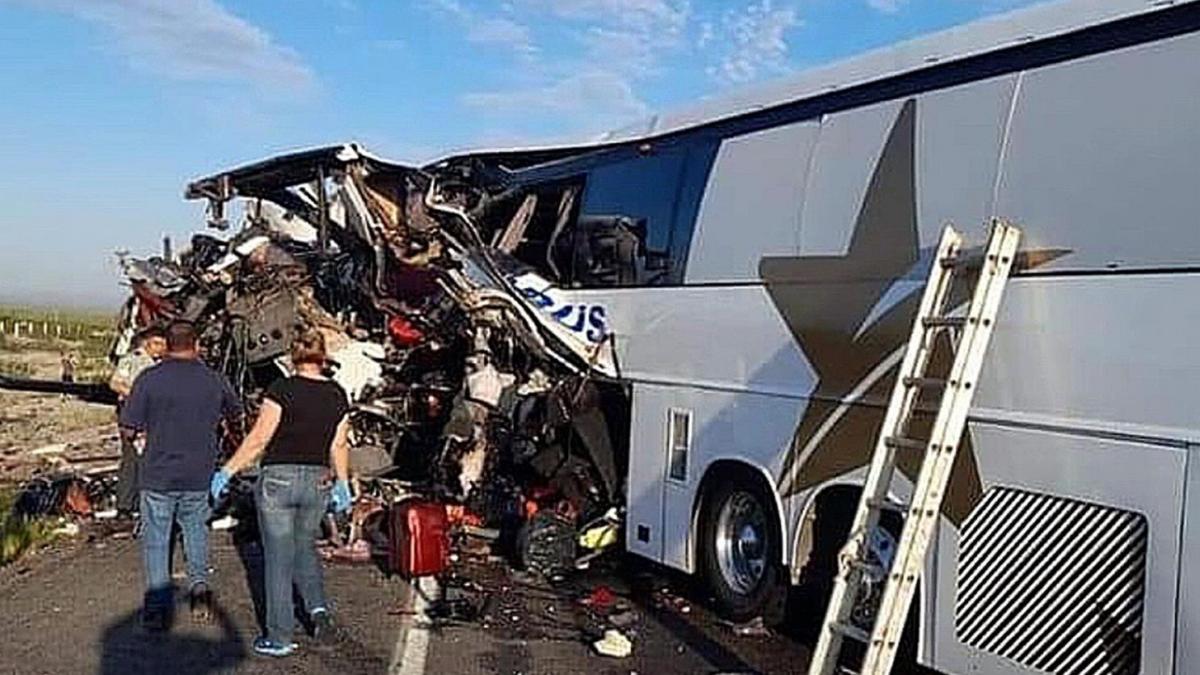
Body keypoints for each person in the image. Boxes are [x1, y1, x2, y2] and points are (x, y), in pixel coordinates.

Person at [212, 330, 352, 658]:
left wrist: (227, 471)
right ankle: (319, 612)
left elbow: (260, 438)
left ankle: (279, 636)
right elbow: (339, 443)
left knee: (277, 558)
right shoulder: (337, 394)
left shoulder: (281, 390)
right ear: (322, 357)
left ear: (293, 356)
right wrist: (343, 484)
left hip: (279, 479)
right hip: (318, 480)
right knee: (305, 547)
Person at [119, 321, 243, 631]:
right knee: (195, 531)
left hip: (157, 472)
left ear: (167, 344)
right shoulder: (214, 380)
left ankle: (157, 608)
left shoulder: (149, 379)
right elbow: (236, 413)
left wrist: (144, 434)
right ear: (196, 344)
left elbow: (128, 426)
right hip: (199, 472)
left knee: (157, 540)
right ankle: (199, 588)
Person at [108, 326, 167, 519]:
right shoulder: (132, 360)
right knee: (131, 459)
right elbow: (115, 383)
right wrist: (138, 396)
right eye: (158, 343)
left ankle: (142, 503)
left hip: (152, 416)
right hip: (134, 415)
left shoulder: (159, 364)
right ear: (147, 342)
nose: (161, 348)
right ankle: (125, 505)